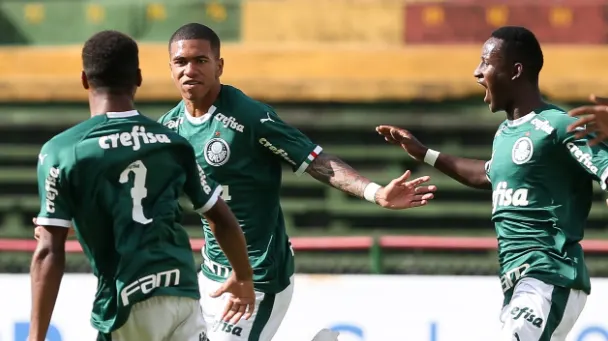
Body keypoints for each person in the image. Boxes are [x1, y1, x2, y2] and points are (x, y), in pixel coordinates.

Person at [158, 23, 438, 341]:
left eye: (201, 60)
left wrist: (374, 192)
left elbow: (316, 161)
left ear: (219, 65)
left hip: (259, 275)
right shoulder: (170, 127)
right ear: (170, 67)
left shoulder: (249, 117)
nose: (190, 69)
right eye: (181, 62)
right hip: (210, 275)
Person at [376, 26, 608, 341]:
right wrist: (425, 153)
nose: (477, 72)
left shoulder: (558, 126)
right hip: (518, 280)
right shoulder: (505, 133)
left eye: (486, 62)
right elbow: (489, 175)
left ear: (515, 71)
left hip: (549, 273)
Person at [29, 30, 256, 341]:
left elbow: (47, 251)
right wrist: (243, 277)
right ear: (138, 78)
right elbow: (222, 219)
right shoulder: (172, 143)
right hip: (183, 291)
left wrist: (35, 336)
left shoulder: (63, 150)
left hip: (129, 297)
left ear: (84, 79)